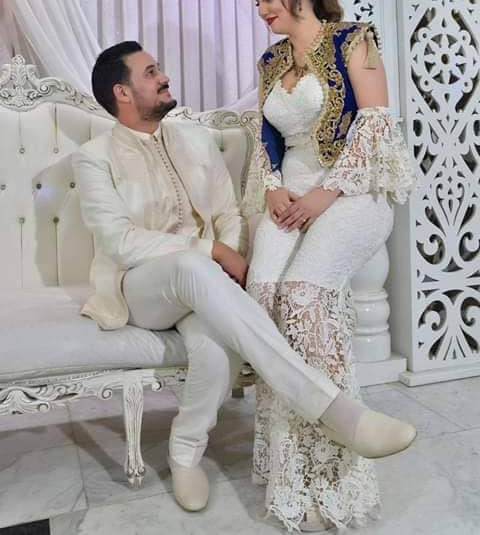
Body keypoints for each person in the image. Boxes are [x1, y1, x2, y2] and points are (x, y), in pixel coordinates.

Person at [73, 41, 416, 517]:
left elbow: (228, 214)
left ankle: (185, 451)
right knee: (192, 264)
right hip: (141, 288)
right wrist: (215, 252)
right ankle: (333, 409)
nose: (164, 76)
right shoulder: (93, 157)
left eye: (160, 68)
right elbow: (121, 242)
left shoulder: (195, 140)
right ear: (122, 92)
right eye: (150, 72)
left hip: (204, 284)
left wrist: (229, 254)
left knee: (216, 349)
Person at [246, 0, 417, 532]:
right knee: (263, 300)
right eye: (258, 2)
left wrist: (326, 192)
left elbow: (374, 127)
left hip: (353, 190)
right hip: (289, 194)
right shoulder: (271, 60)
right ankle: (292, 469)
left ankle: (343, 455)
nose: (263, 10)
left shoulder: (354, 41)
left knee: (303, 295)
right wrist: (273, 187)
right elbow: (266, 137)